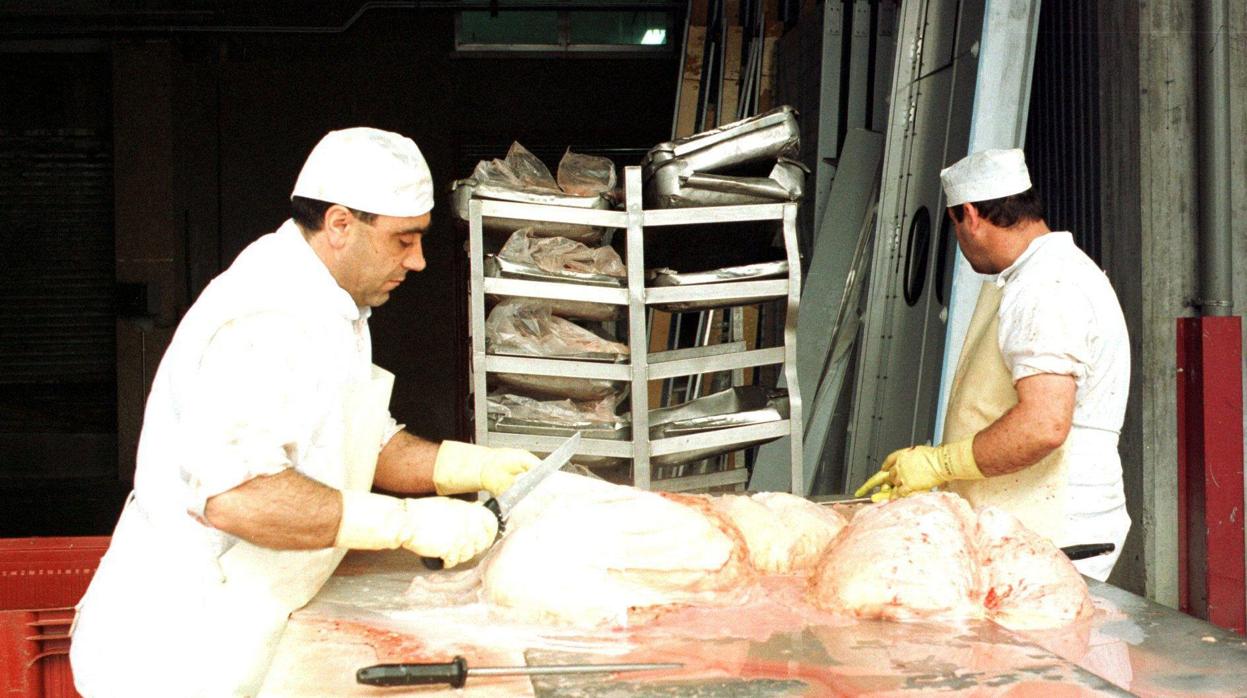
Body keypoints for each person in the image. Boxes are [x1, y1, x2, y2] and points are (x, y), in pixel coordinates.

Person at [69, 127, 542, 697]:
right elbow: (237, 496)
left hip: (247, 620)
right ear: (340, 224)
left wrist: (466, 466)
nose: (418, 261)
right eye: (403, 240)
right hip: (176, 646)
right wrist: (403, 524)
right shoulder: (266, 317)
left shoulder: (335, 304)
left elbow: (355, 438)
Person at [855, 148, 1131, 582]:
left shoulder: (1048, 286)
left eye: (955, 227)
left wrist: (941, 464)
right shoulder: (1038, 275)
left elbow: (1043, 425)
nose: (960, 243)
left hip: (1058, 524)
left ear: (970, 214)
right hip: (1034, 518)